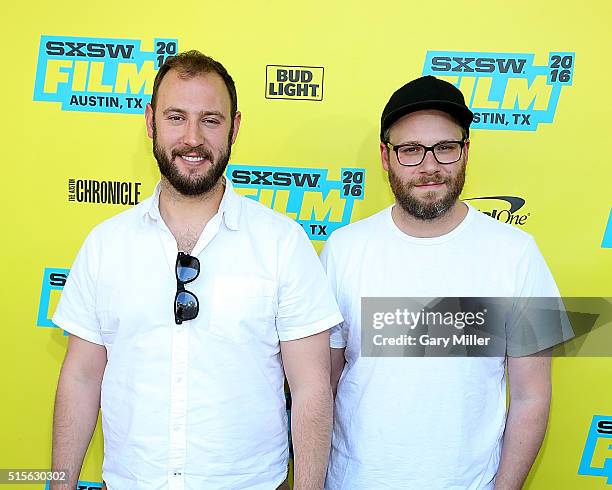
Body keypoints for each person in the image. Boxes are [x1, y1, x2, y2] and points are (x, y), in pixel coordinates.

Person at [51, 50, 342, 490]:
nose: (192, 138)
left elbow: (311, 387)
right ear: (150, 122)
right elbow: (80, 377)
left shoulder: (281, 243)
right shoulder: (105, 245)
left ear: (235, 127)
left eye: (210, 120)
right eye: (175, 117)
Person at [321, 76, 569, 489]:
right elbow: (320, 386)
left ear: (465, 151)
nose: (430, 166)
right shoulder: (344, 249)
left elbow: (532, 397)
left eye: (445, 148)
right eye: (410, 150)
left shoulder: (517, 253)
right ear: (385, 157)